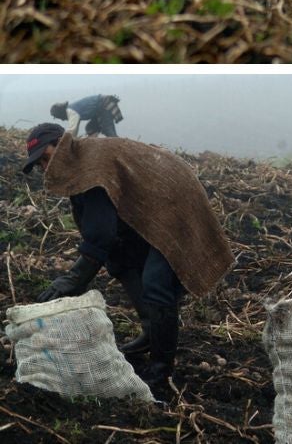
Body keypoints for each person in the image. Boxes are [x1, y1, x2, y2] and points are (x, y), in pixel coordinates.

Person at [23, 122, 235, 395]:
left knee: (157, 284)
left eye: (45, 156)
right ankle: (150, 331)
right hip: (151, 201)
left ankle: (161, 372)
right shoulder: (79, 166)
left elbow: (100, 234)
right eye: (39, 163)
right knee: (119, 259)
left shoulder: (91, 166)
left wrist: (73, 280)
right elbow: (102, 234)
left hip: (173, 200)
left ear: (60, 145)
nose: (44, 166)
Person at [50, 94, 123, 137]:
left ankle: (119, 146)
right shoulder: (72, 109)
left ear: (61, 113)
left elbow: (72, 130)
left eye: (60, 117)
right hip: (99, 110)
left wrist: (64, 141)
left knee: (108, 130)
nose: (62, 120)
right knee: (90, 128)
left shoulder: (71, 111)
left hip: (103, 105)